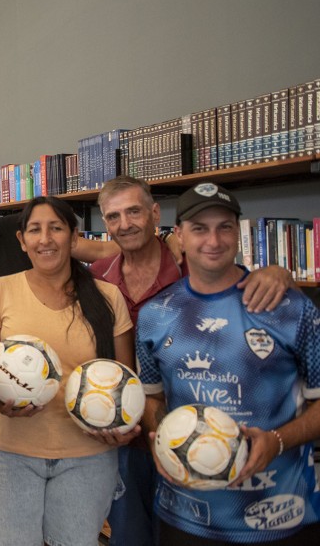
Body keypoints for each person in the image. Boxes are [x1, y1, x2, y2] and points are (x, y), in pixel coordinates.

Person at [92, 176, 294, 546]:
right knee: (130, 537)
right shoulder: (95, 281)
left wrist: (279, 272)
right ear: (105, 224)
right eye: (114, 216)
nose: (125, 224)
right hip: (124, 444)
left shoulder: (196, 267)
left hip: (204, 438)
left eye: (134, 211)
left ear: (155, 213)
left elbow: (246, 286)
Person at [137, 182, 320, 544]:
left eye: (225, 227)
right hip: (186, 517)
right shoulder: (155, 315)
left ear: (239, 232)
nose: (214, 241)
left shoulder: (291, 309)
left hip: (280, 514)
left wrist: (278, 441)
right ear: (179, 236)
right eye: (199, 228)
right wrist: (160, 439)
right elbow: (152, 398)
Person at [0, 196, 137, 546]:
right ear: (22, 240)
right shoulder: (2, 290)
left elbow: (126, 381)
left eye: (56, 228)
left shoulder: (108, 297)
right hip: (13, 453)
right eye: (34, 230)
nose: (45, 239)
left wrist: (122, 427)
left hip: (88, 456)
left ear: (73, 237)